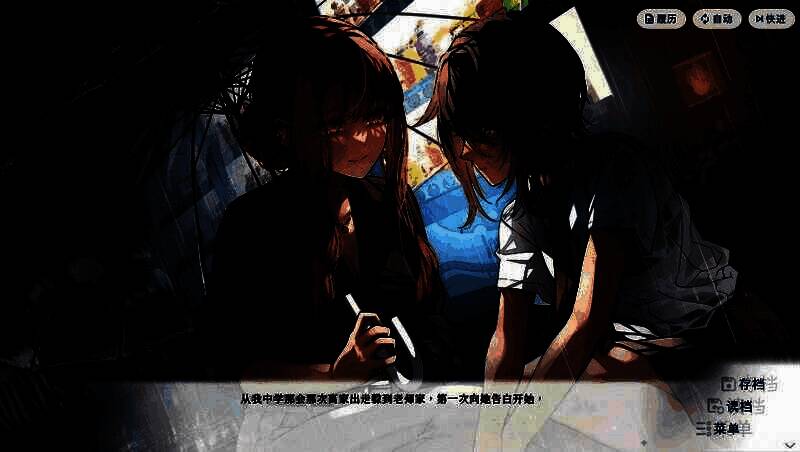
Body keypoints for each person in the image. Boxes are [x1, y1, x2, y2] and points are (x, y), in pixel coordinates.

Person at [415, 11, 739, 385]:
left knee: (568, 386)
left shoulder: (614, 168)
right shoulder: (522, 215)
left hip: (701, 332)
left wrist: (519, 418)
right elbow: (505, 342)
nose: (465, 150)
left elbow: (586, 321)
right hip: (626, 347)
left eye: (478, 132)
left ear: (524, 117)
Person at [204, 16, 456, 382]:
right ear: (286, 132)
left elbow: (431, 310)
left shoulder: (387, 200)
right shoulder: (251, 226)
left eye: (373, 115)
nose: (364, 139)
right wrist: (334, 376)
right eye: (337, 126)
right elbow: (240, 368)